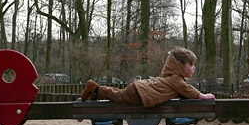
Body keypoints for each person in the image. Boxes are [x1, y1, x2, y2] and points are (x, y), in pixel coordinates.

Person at [81, 47, 215, 106]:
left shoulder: (172, 79)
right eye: (190, 64)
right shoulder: (175, 80)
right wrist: (202, 96)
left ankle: (97, 91)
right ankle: (95, 88)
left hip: (139, 90)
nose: (194, 68)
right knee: (118, 97)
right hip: (139, 93)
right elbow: (186, 89)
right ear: (179, 65)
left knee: (119, 94)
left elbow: (183, 92)